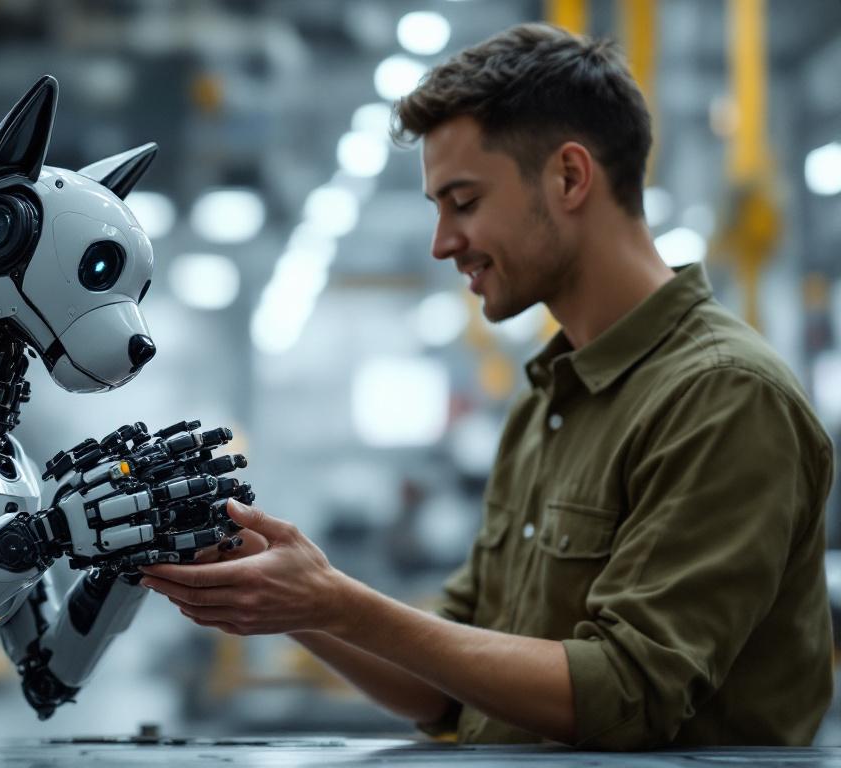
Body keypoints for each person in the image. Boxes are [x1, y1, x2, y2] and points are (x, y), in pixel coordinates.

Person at [140, 23, 835, 749]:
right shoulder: (547, 402)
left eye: (464, 201)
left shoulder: (722, 396)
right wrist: (290, 598)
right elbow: (443, 683)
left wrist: (341, 604)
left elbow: (627, 694)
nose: (442, 242)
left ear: (569, 178)